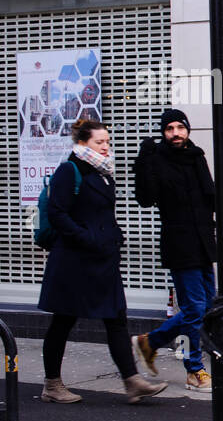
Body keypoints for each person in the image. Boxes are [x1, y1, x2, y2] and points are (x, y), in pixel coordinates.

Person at [38, 119, 169, 404]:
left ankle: (132, 380)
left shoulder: (103, 172)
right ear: (83, 143)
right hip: (74, 260)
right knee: (63, 321)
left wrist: (114, 236)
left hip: (102, 260)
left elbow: (102, 214)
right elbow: (59, 214)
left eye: (107, 141)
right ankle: (52, 384)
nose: (106, 146)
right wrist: (88, 238)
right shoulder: (69, 170)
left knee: (116, 319)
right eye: (100, 142)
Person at [133, 108, 223, 392]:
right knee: (195, 309)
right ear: (164, 132)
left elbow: (209, 196)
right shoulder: (157, 159)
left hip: (203, 241)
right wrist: (144, 159)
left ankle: (150, 342)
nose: (175, 133)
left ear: (187, 129)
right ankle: (194, 370)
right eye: (169, 128)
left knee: (205, 308)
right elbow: (145, 198)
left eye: (179, 127)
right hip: (178, 242)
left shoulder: (196, 156)